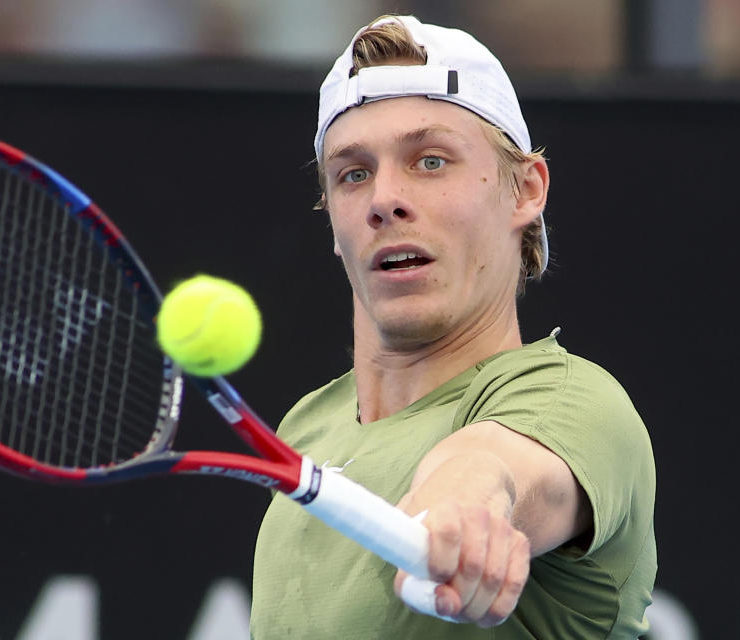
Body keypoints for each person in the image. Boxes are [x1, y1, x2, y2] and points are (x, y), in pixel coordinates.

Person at [250, 14, 656, 640]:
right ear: (333, 221)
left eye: (431, 161)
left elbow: (486, 468)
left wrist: (465, 511)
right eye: (353, 173)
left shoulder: (577, 402)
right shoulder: (308, 428)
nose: (385, 197)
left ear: (525, 190)